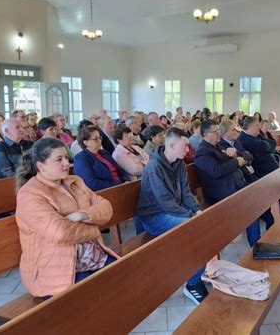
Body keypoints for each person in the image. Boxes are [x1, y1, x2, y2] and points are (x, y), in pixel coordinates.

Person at [15, 138, 118, 297]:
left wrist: (80, 215)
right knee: (98, 297)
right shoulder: (30, 194)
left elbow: (106, 207)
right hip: (56, 268)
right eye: (59, 159)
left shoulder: (75, 181)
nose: (67, 164)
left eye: (66, 157)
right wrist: (95, 229)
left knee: (125, 277)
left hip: (92, 255)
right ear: (40, 166)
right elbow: (61, 233)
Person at [136, 127, 207, 304]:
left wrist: (197, 210)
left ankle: (195, 275)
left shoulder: (180, 163)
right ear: (172, 146)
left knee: (205, 224)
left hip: (173, 211)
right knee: (196, 229)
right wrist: (191, 215)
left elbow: (186, 192)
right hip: (154, 217)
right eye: (185, 146)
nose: (188, 150)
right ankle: (193, 284)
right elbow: (165, 201)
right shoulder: (154, 167)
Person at [73, 126, 128, 191]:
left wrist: (126, 181)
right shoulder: (81, 158)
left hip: (120, 186)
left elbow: (120, 170)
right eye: (95, 139)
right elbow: (92, 183)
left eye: (100, 138)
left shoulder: (104, 153)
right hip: (105, 191)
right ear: (86, 142)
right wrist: (118, 184)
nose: (99, 141)